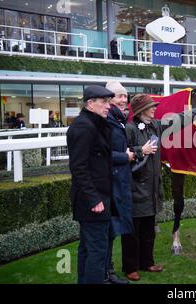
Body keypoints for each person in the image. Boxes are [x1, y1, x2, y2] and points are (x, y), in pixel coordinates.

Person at [123, 93, 196, 281]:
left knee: (148, 229)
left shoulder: (155, 125)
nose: (155, 108)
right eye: (151, 106)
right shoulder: (129, 129)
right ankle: (130, 267)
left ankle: (147, 262)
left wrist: (195, 112)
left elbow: (175, 121)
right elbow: (122, 155)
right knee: (133, 232)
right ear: (141, 110)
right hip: (136, 187)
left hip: (152, 188)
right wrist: (140, 151)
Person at [67, 85, 118, 284]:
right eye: (104, 102)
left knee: (89, 248)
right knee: (97, 250)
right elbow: (78, 168)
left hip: (98, 197)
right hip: (93, 201)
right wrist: (94, 199)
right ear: (90, 103)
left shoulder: (94, 124)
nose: (109, 106)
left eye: (108, 102)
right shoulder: (83, 127)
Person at [104, 80, 135, 284]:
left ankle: (108, 270)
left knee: (112, 232)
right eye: (119, 96)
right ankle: (106, 273)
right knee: (107, 233)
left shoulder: (119, 119)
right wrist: (126, 157)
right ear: (109, 99)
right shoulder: (107, 121)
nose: (124, 100)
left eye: (125, 96)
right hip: (110, 185)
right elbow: (102, 154)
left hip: (119, 183)